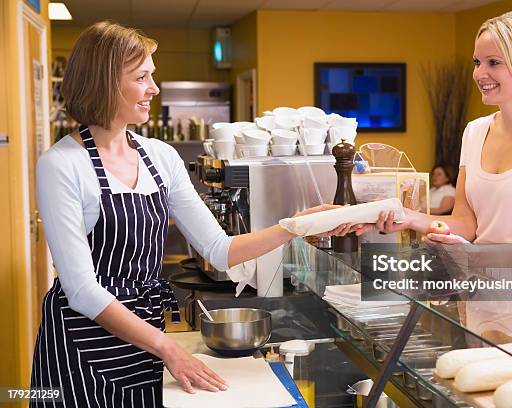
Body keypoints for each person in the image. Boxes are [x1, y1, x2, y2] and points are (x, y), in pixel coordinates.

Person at [30, 21, 349, 407]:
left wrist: (296, 225)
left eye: (153, 75)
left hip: (145, 336)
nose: (154, 88)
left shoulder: (159, 157)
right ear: (105, 82)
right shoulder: (62, 165)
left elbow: (219, 248)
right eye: (142, 76)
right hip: (81, 345)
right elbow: (81, 291)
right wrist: (168, 348)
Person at [356, 11, 512, 350]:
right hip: (475, 297)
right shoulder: (475, 131)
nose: (479, 74)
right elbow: (466, 223)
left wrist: (477, 256)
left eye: (493, 62)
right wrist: (410, 218)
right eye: (477, 62)